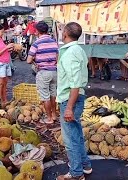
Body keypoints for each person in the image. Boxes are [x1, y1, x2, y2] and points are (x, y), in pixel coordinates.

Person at [56, 22, 92, 180]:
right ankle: (85, 165)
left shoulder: (71, 53)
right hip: (75, 97)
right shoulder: (78, 50)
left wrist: (69, 107)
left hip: (70, 99)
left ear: (65, 34)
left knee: (70, 139)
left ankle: (76, 174)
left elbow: (75, 83)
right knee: (76, 134)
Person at [27, 21, 59, 124]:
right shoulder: (54, 42)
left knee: (45, 96)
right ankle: (54, 115)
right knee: (53, 94)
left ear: (37, 31)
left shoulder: (36, 43)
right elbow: (58, 57)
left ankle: (49, 118)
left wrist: (35, 62)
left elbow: (28, 60)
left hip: (43, 72)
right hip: (54, 72)